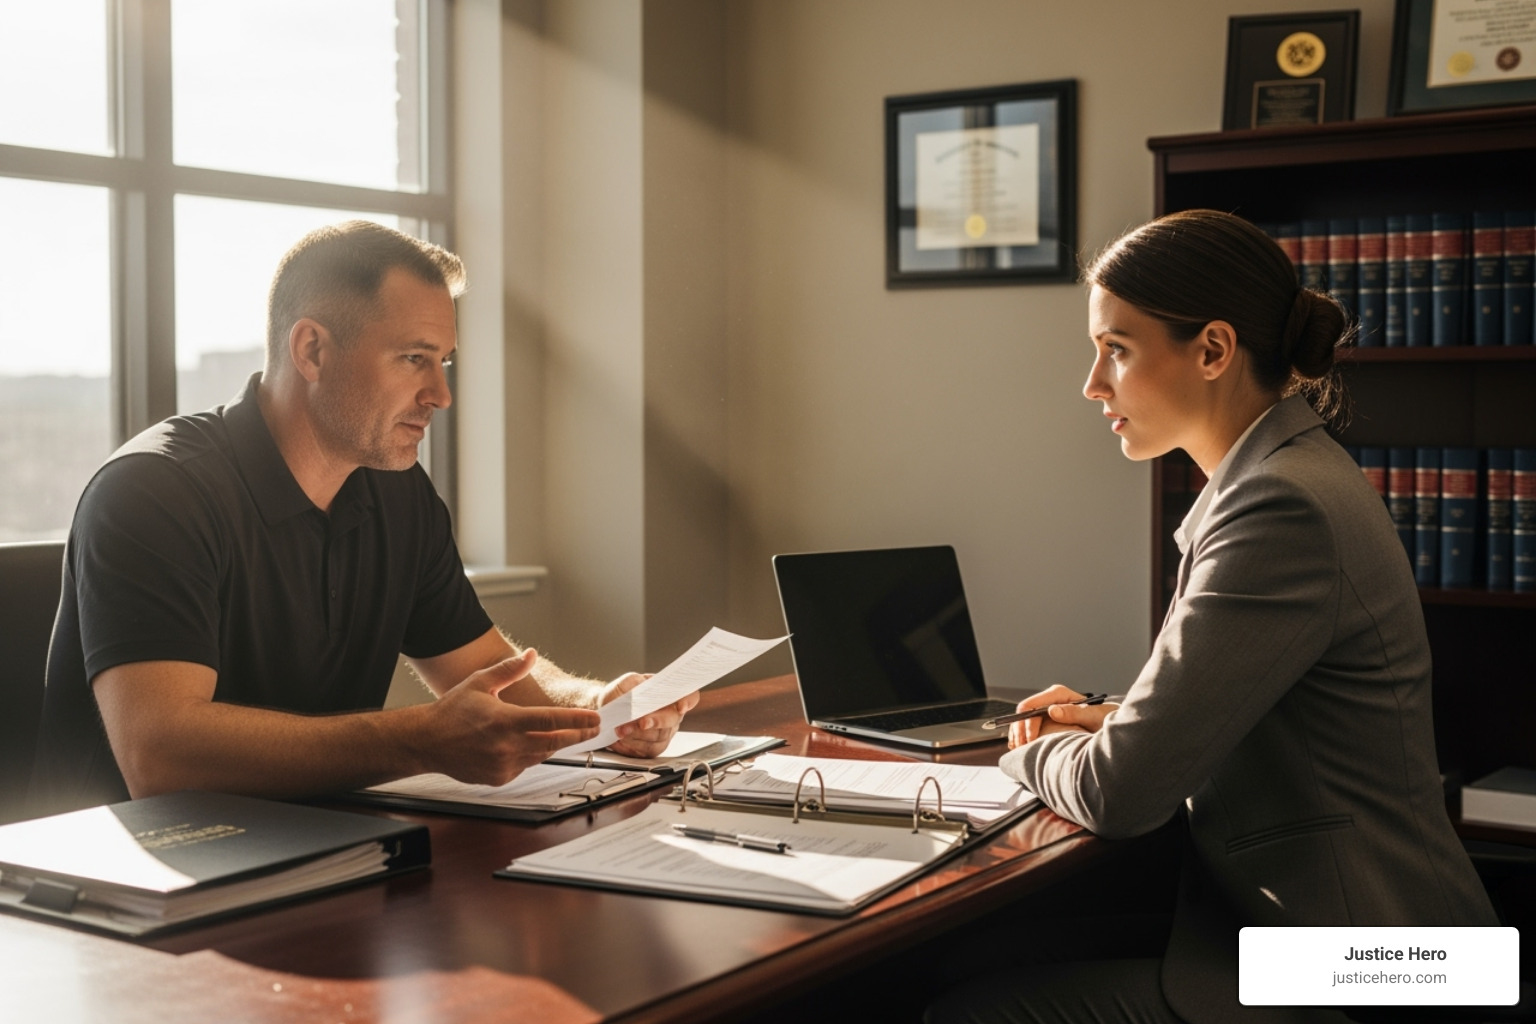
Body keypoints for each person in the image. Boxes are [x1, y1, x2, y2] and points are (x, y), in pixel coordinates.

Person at [927, 210, 1496, 1024]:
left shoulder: (1278, 506)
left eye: (1116, 350)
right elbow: (1261, 712)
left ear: (1214, 350)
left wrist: (1025, 751)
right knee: (968, 958)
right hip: (1344, 935)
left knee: (968, 1008)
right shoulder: (1286, 472)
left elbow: (1119, 793)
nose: (1093, 383)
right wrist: (1114, 717)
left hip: (1373, 967)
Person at [31, 220, 696, 817]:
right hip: (120, 893)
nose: (440, 395)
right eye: (414, 359)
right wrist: (418, 739)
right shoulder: (154, 492)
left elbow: (497, 674)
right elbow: (161, 759)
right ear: (313, 351)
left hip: (314, 850)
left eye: (443, 362)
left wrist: (601, 707)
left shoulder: (395, 493)